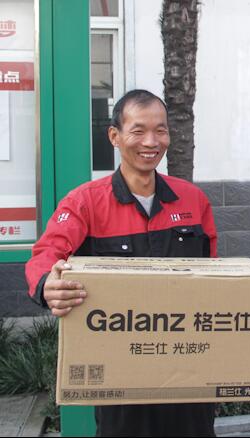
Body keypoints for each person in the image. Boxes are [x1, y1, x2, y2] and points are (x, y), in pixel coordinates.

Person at [25, 89, 218, 437]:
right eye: (138, 130)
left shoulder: (193, 200)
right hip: (121, 373)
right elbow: (47, 253)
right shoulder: (85, 203)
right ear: (115, 136)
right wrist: (47, 285)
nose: (151, 142)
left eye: (160, 130)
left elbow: (215, 276)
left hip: (187, 369)